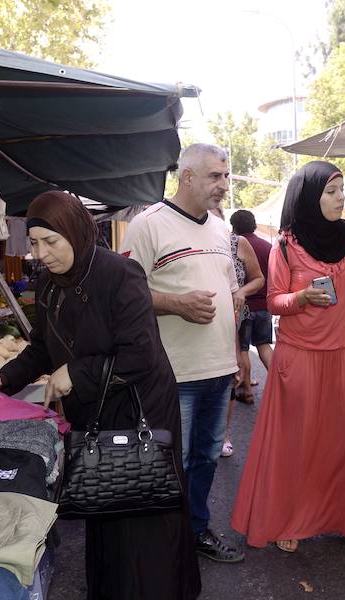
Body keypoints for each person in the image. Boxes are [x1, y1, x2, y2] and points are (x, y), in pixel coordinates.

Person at [0, 191, 201, 600]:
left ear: (76, 232)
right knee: (104, 504)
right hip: (93, 408)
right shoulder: (48, 283)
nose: (42, 253)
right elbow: (43, 347)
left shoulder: (121, 274)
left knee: (141, 512)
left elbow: (141, 354)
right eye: (34, 243)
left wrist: (76, 373)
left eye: (51, 241)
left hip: (138, 407)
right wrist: (0, 379)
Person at [230, 161, 345, 558]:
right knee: (298, 443)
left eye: (342, 190)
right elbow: (274, 301)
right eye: (331, 191)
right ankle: (289, 519)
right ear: (309, 196)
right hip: (299, 356)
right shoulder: (286, 244)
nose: (341, 198)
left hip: (344, 355)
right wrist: (302, 298)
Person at [120, 143, 245, 564]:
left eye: (226, 176)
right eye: (215, 176)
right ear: (187, 176)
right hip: (174, 372)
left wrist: (236, 359)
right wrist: (176, 304)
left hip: (219, 369)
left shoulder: (220, 229)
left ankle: (194, 530)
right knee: (173, 460)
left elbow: (230, 292)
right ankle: (164, 539)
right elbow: (125, 295)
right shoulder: (148, 224)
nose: (223, 185)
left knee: (207, 456)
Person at [209, 206, 264, 458]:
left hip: (234, 316)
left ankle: (224, 434)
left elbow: (258, 278)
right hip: (195, 320)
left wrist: (241, 292)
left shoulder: (236, 242)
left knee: (230, 371)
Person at [229, 209, 274, 404]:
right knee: (264, 346)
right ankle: (280, 385)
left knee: (244, 349)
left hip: (244, 305)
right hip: (264, 303)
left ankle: (246, 390)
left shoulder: (236, 246)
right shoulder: (267, 246)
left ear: (234, 226)